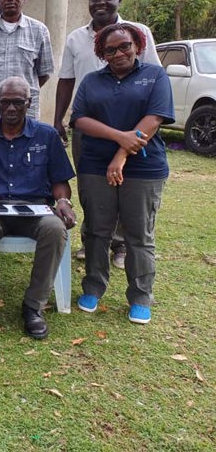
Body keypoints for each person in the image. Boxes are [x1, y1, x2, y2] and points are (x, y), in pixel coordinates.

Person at [71, 23, 173, 325]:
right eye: (110, 49)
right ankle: (93, 286)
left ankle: (141, 296)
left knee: (139, 234)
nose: (118, 53)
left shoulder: (154, 76)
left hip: (144, 167)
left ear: (137, 45)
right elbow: (79, 119)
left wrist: (121, 155)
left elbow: (154, 118)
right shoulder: (91, 81)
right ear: (102, 53)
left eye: (124, 46)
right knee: (96, 230)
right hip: (94, 165)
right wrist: (120, 138)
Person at [54, 0, 161, 268]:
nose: (100, 4)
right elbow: (66, 80)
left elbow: (153, 75)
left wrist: (140, 129)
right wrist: (58, 119)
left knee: (128, 185)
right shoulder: (76, 38)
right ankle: (92, 240)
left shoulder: (139, 34)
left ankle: (122, 245)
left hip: (132, 126)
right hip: (88, 125)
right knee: (91, 186)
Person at [0, 76, 76, 339]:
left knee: (55, 229)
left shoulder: (46, 136)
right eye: (5, 103)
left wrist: (63, 202)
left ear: (29, 103)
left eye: (17, 103)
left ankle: (33, 306)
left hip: (35, 209)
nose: (11, 108)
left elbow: (60, 182)